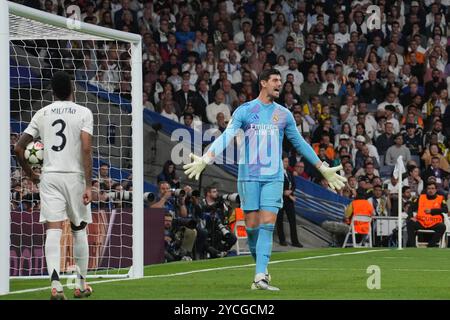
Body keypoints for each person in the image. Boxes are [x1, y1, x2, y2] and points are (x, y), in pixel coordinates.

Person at [183, 69, 346, 291]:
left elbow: (299, 143)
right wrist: (206, 158)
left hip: (273, 177)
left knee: (267, 225)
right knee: (251, 228)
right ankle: (260, 266)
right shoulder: (246, 110)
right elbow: (226, 136)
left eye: (281, 80)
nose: (281, 83)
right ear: (263, 83)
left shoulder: (284, 114)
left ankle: (260, 276)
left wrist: (321, 167)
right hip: (248, 176)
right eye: (276, 80)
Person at [14, 71, 93, 300]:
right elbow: (86, 149)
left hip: (50, 177)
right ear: (72, 88)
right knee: (79, 230)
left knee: (53, 230)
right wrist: (88, 184)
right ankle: (80, 285)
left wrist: (30, 175)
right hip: (75, 177)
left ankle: (56, 286)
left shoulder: (42, 113)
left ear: (52, 91)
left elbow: (19, 148)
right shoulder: (84, 112)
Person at [406, 182, 448, 247]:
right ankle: (412, 246)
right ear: (426, 189)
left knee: (442, 227)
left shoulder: (441, 198)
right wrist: (411, 216)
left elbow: (445, 210)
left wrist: (432, 211)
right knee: (410, 223)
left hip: (434, 222)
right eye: (428, 188)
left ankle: (431, 245)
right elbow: (411, 208)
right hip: (421, 222)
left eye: (432, 188)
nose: (430, 190)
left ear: (436, 190)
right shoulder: (420, 198)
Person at [276, 155, 302, 247]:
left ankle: (295, 241)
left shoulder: (289, 173)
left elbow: (294, 184)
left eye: (287, 162)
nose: (286, 163)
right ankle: (282, 240)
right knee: (279, 220)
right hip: (280, 199)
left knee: (292, 220)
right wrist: (283, 192)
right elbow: (276, 185)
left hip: (289, 199)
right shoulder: (277, 173)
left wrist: (291, 191)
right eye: (285, 161)